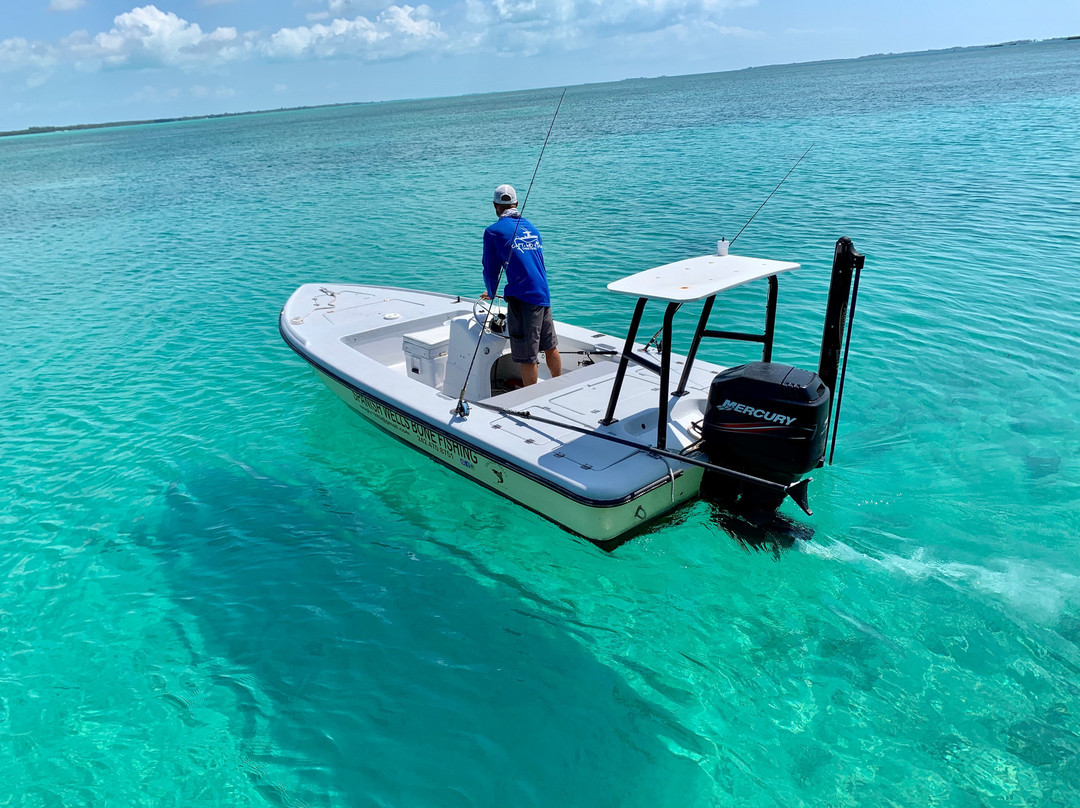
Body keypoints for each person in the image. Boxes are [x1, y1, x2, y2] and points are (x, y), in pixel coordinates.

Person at [481, 184, 562, 386]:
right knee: (550, 346)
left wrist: (491, 293)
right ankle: (560, 385)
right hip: (543, 294)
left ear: (495, 206)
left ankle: (531, 403)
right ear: (516, 203)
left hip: (524, 299)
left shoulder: (493, 232)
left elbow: (490, 269)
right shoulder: (532, 228)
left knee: (527, 356)